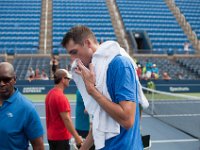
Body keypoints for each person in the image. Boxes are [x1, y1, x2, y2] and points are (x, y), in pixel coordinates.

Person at [62, 25, 143, 149]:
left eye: (74, 52)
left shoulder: (120, 64)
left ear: (87, 43)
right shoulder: (97, 74)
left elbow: (128, 120)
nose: (73, 59)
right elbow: (99, 124)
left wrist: (92, 91)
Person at [0, 62, 44, 149]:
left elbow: (38, 146)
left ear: (15, 79)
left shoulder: (27, 108)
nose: (2, 84)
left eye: (6, 79)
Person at [45, 69, 82, 150]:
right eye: (68, 78)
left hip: (52, 136)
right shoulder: (60, 97)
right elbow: (66, 119)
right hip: (60, 137)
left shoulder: (50, 94)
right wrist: (77, 137)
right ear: (63, 79)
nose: (69, 80)